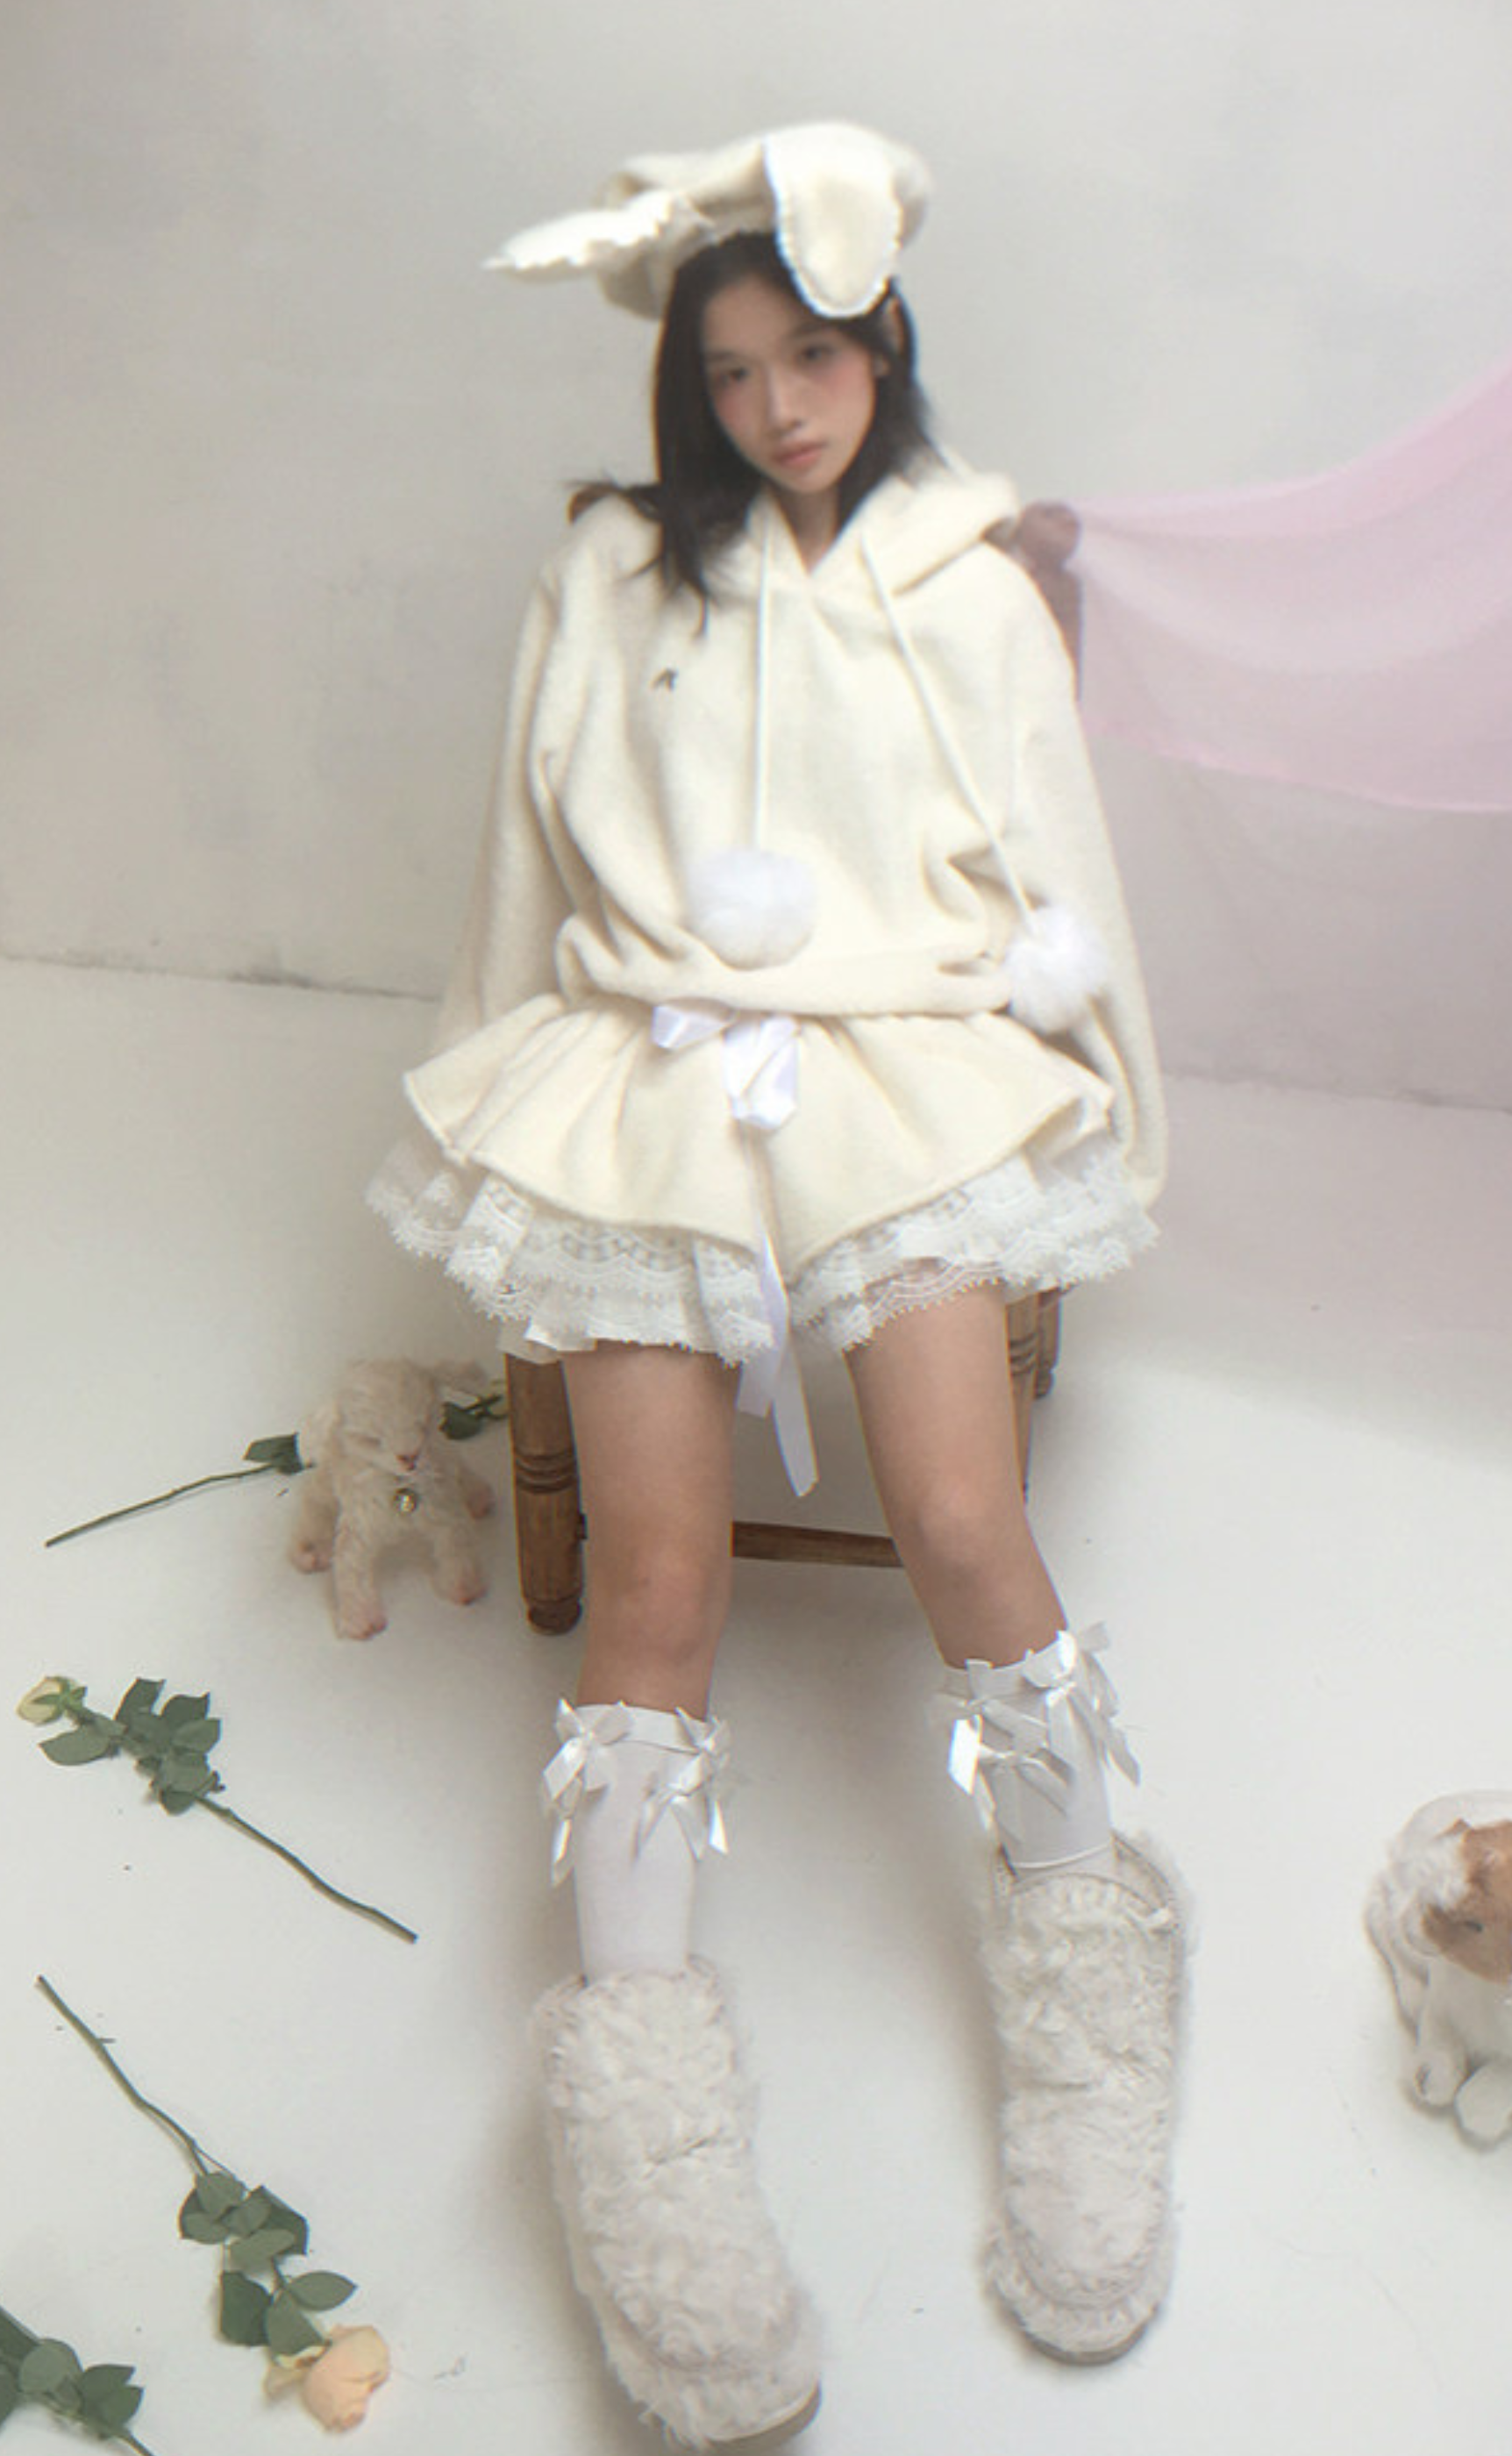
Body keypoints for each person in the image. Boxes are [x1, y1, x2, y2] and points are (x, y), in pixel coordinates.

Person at [371, 123, 1186, 2448]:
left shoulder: (967, 577)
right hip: (647, 1068)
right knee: (657, 1578)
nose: (775, 410)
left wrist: (1094, 1105)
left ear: (883, 338)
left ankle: (1094, 1989)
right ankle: (641, 2124)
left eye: (810, 360)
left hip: (904, 1065)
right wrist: (500, 1116)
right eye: (727, 375)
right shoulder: (617, 569)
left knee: (962, 1526)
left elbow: (1059, 872)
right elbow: (525, 857)